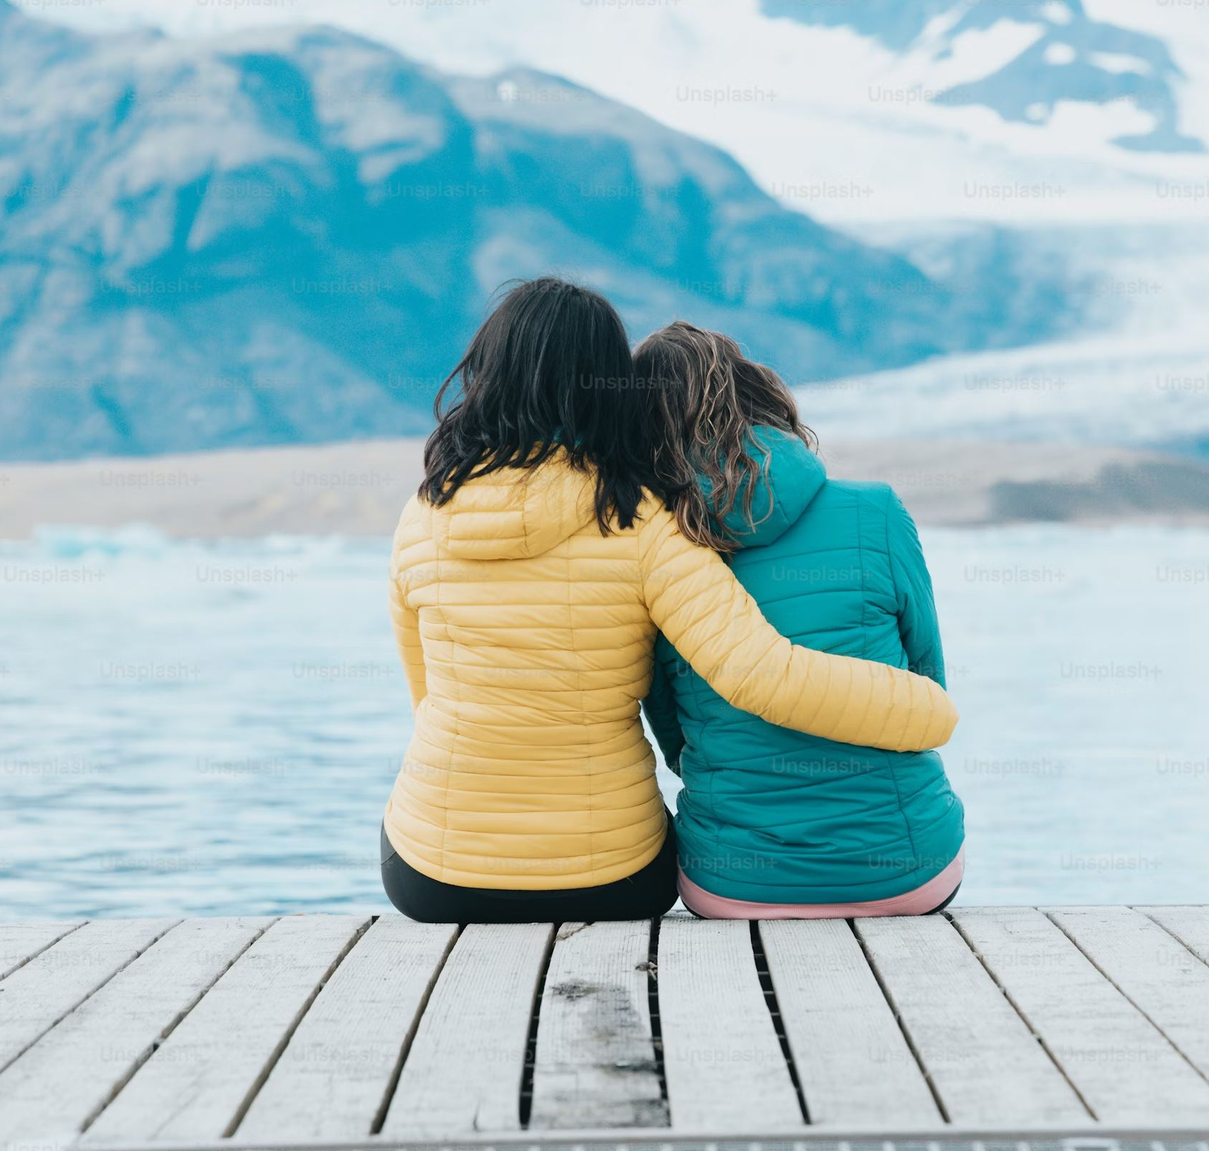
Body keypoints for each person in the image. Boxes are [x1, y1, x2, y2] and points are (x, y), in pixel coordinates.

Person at [380, 280, 957, 923]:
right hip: (611, 879)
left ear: (481, 371)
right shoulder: (642, 521)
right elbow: (758, 672)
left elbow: (425, 696)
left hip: (435, 876)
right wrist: (929, 713)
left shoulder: (420, 517)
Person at [634, 321, 966, 918]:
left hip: (731, 883)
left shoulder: (656, 546)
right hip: (907, 870)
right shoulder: (876, 511)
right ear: (758, 396)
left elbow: (673, 737)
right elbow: (925, 681)